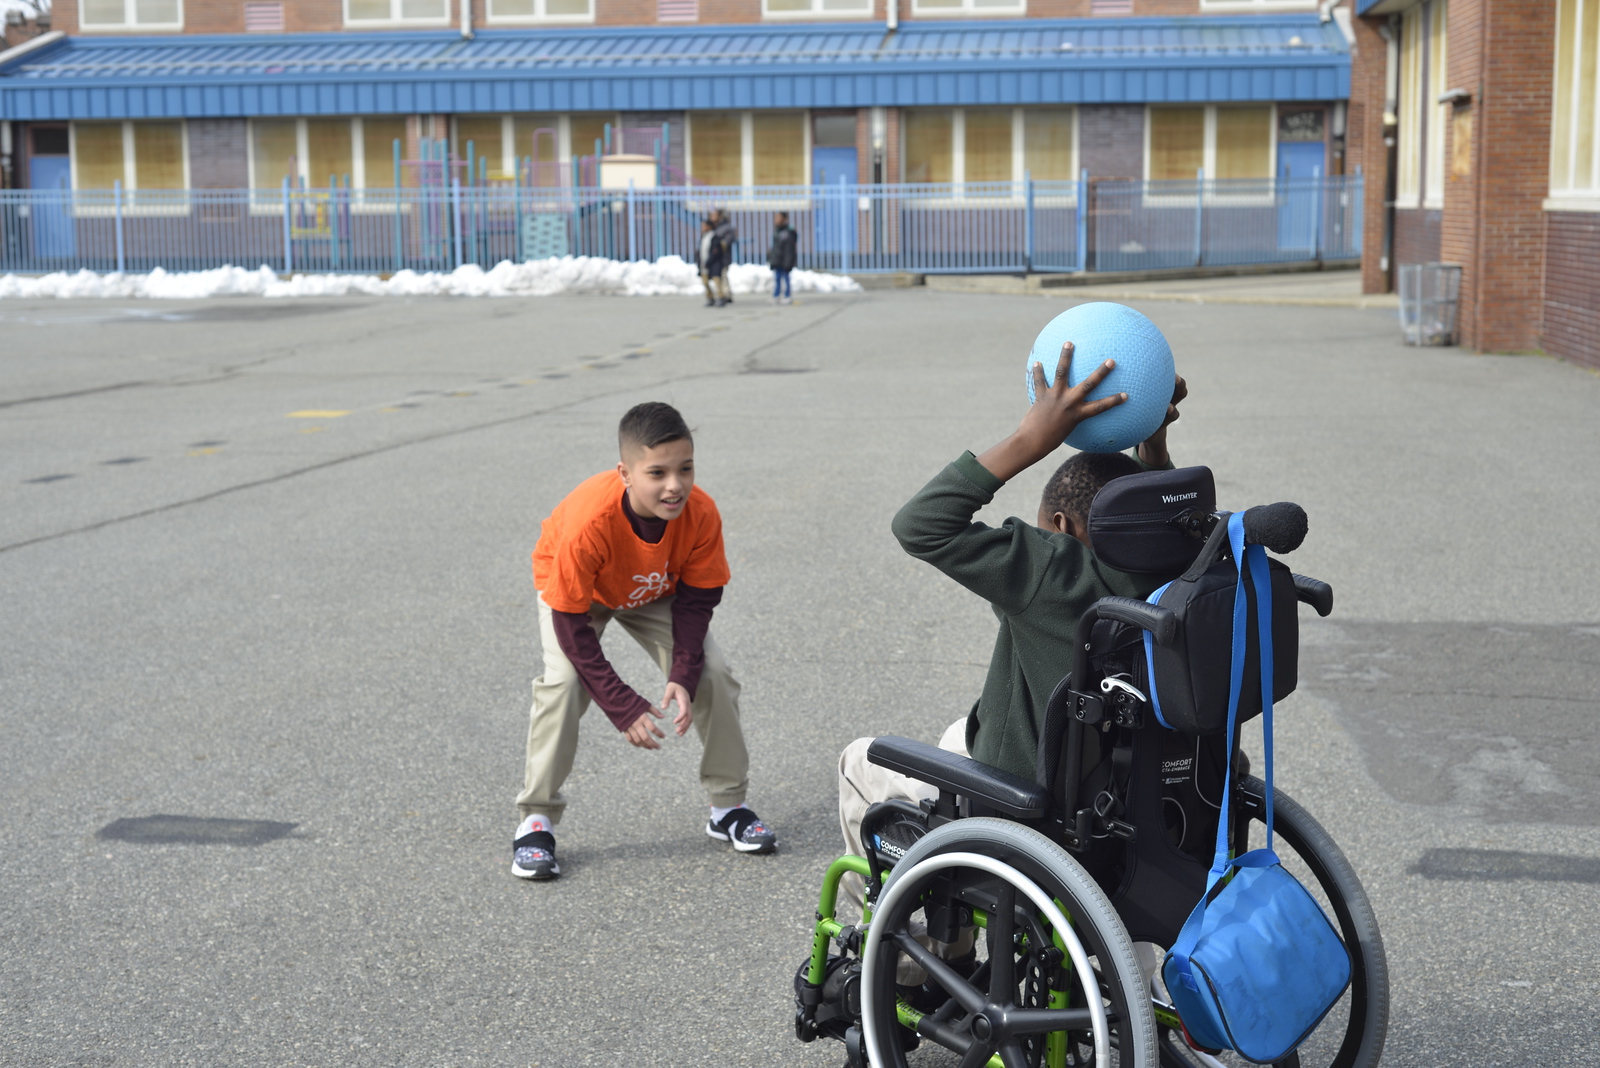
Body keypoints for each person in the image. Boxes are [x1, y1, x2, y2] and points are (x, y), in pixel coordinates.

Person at [837, 347, 1185, 902]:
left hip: (1027, 799)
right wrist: (1156, 454)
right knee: (958, 729)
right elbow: (1164, 527)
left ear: (1064, 525)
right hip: (1140, 795)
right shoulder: (1186, 568)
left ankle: (920, 956)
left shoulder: (1052, 572)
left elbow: (919, 525)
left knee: (859, 759)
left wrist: (1031, 439)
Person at [512, 402, 777, 881]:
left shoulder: (700, 513)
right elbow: (570, 626)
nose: (674, 485)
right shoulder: (588, 522)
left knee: (712, 674)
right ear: (626, 473)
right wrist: (620, 704)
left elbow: (698, 601)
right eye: (657, 472)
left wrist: (682, 672)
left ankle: (729, 807)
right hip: (579, 597)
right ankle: (536, 820)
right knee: (566, 684)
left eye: (685, 469)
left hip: (653, 590)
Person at [695, 217, 728, 308]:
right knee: (705, 281)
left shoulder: (714, 237)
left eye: (704, 226)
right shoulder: (704, 237)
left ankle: (721, 297)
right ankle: (710, 297)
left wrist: (709, 261)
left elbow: (716, 251)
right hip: (704, 263)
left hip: (714, 263)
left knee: (717, 281)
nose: (702, 228)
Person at [768, 212, 797, 304]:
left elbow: (789, 249)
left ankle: (787, 295)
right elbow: (775, 247)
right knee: (777, 278)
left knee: (786, 277)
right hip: (777, 259)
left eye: (778, 218)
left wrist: (788, 261)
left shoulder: (788, 231)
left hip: (785, 260)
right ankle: (776, 295)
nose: (776, 220)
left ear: (784, 219)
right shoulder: (777, 230)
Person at [712, 208, 738, 306]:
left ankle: (726, 295)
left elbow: (728, 240)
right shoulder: (714, 226)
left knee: (723, 275)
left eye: (714, 215)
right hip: (715, 256)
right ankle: (724, 294)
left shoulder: (726, 227)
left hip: (723, 256)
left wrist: (718, 246)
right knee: (720, 275)